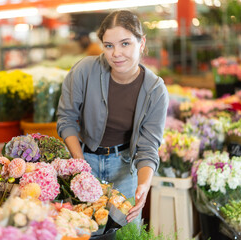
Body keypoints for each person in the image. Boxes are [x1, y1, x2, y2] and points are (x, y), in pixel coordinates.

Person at [57, 10, 169, 223]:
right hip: (84, 159)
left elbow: (148, 147)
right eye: (109, 45)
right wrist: (80, 166)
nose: (116, 53)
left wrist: (143, 185)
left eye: (125, 43)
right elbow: (66, 119)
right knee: (82, 229)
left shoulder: (155, 89)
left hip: (125, 168)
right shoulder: (84, 71)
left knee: (127, 233)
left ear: (141, 42)